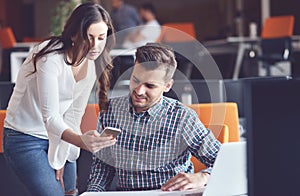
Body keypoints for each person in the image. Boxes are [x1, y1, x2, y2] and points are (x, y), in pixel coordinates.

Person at [3, 3, 116, 196]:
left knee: (71, 192)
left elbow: (73, 115)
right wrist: (81, 141)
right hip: (25, 137)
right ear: (74, 35)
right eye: (89, 37)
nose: (95, 46)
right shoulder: (50, 57)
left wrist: (60, 154)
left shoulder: (90, 64)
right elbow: (51, 117)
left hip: (58, 136)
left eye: (101, 38)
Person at [86, 43, 221, 192]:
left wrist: (203, 177)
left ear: (167, 86)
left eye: (149, 86)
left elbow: (225, 161)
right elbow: (103, 167)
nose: (139, 91)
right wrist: (93, 193)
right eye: (136, 80)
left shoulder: (182, 118)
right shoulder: (110, 111)